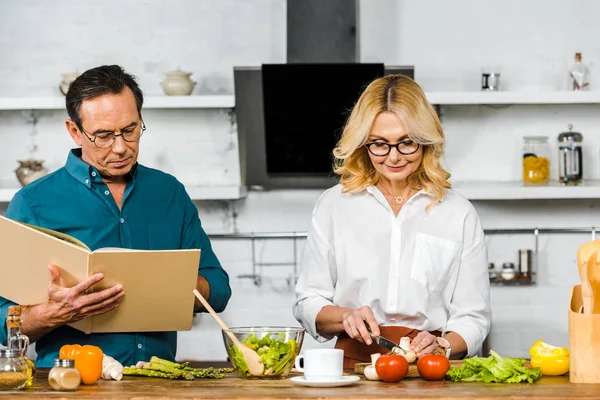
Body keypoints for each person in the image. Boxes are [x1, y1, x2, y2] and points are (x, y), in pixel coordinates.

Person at [0, 65, 232, 367]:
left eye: (130, 130)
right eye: (104, 135)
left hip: (160, 382)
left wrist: (173, 285)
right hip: (70, 384)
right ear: (74, 131)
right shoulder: (32, 203)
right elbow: (3, 321)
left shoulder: (169, 192)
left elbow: (219, 290)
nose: (121, 147)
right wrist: (51, 313)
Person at [293, 75, 490, 368]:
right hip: (352, 367)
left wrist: (444, 345)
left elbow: (473, 317)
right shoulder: (334, 205)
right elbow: (308, 301)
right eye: (380, 144)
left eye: (406, 143)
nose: (394, 157)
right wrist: (345, 316)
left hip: (429, 366)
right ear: (363, 144)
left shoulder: (457, 212)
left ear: (425, 142)